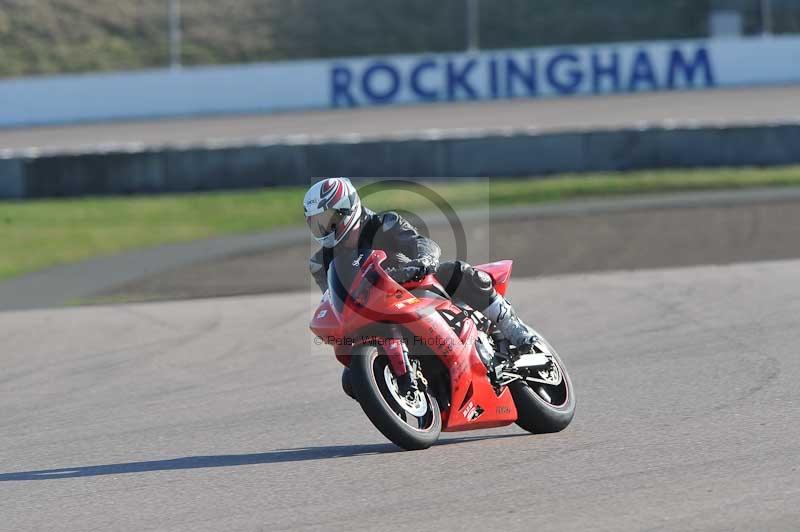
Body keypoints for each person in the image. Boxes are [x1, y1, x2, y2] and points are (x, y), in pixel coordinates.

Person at [304, 177, 538, 394]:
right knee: (351, 380)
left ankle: (512, 327)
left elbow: (420, 243)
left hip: (412, 288)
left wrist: (423, 260)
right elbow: (332, 298)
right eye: (317, 224)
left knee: (456, 270)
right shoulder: (319, 262)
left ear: (347, 209)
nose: (325, 229)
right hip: (370, 313)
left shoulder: (384, 223)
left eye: (330, 220)